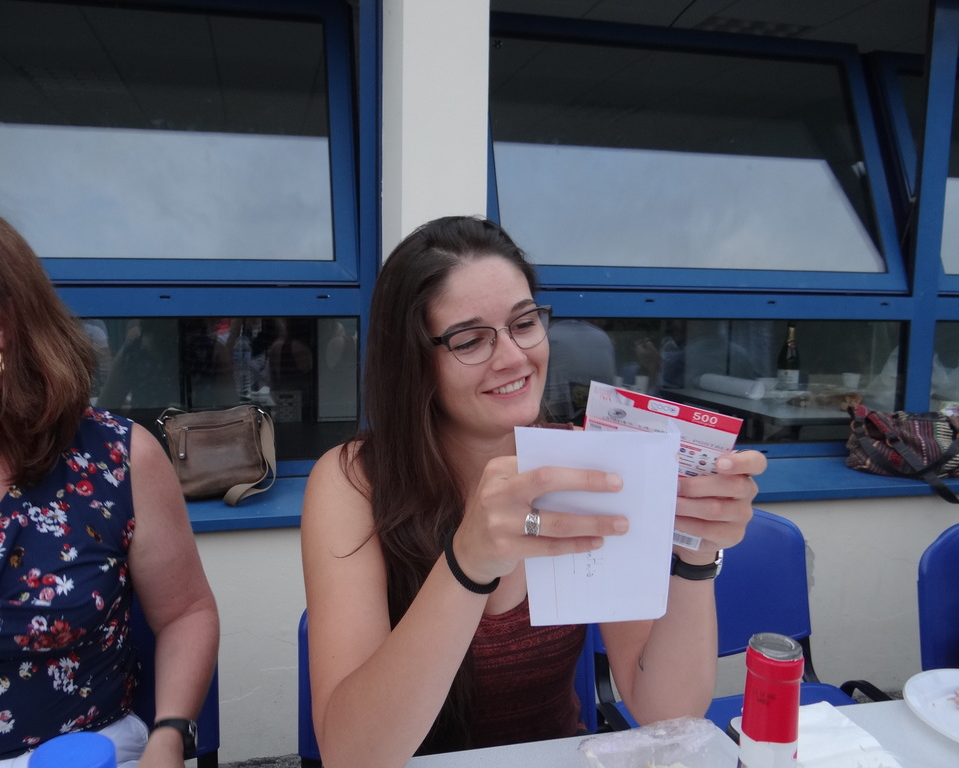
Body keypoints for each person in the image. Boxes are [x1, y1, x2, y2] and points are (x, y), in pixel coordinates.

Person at [301, 216, 766, 768]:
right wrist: (467, 563)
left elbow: (666, 711)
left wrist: (695, 552)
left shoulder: (585, 463)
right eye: (470, 340)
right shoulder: (352, 482)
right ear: (413, 362)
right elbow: (351, 756)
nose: (514, 357)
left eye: (524, 324)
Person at [0, 199, 220, 767]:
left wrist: (169, 735)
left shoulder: (116, 458)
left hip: (83, 752)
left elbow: (186, 612)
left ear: (0, 324)